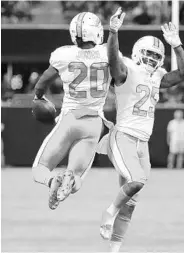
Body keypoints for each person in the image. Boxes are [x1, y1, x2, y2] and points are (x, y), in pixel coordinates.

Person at [99, 8, 184, 252]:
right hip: (124, 136)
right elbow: (112, 62)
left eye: (155, 55)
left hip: (143, 143)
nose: (151, 59)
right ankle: (109, 212)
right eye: (147, 54)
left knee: (131, 201)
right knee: (137, 180)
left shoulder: (158, 76)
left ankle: (114, 249)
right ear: (137, 53)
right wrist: (113, 32)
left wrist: (177, 44)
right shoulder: (127, 69)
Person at [32, 12, 112, 210]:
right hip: (94, 122)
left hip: (70, 118)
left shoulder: (64, 54)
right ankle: (68, 178)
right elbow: (121, 76)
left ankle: (52, 181)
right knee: (77, 177)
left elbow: (42, 82)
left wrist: (39, 98)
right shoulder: (109, 53)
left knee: (39, 169)